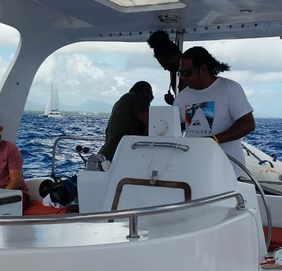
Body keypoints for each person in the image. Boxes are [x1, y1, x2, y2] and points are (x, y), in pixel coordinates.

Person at [173, 46, 255, 177]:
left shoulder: (230, 89)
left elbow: (248, 124)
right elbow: (177, 126)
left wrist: (214, 140)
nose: (183, 78)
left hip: (227, 172)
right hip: (194, 170)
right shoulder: (182, 96)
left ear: (203, 69)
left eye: (187, 73)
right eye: (180, 73)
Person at [98, 81, 154, 162]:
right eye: (151, 95)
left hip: (108, 155)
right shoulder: (136, 97)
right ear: (146, 92)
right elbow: (153, 125)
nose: (152, 97)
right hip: (117, 156)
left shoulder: (121, 101)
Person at [147, 30, 185, 105]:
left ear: (173, 58)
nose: (165, 69)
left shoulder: (189, 75)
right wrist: (173, 102)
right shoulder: (178, 75)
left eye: (164, 65)